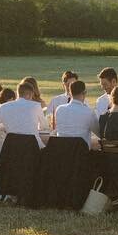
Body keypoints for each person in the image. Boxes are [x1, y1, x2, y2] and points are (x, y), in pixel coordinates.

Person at [41, 78, 97, 209]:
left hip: (60, 155)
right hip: (80, 156)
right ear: (85, 93)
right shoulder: (88, 111)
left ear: (70, 93)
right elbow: (99, 133)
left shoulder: (60, 110)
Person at [0, 81, 46, 204]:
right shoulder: (35, 106)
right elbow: (44, 126)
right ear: (30, 95)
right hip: (31, 150)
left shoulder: (5, 107)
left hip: (11, 150)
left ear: (18, 93)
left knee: (19, 160)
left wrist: (3, 127)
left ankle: (12, 193)